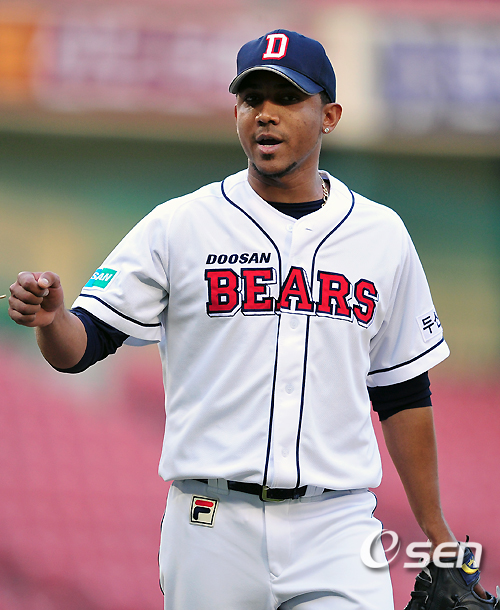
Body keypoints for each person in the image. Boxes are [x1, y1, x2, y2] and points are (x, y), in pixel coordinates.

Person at [8, 29, 471, 610]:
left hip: (338, 524)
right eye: (252, 100)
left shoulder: (382, 235)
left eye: (288, 98)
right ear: (237, 115)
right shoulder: (180, 224)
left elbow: (403, 392)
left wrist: (436, 532)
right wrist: (52, 320)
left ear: (329, 116)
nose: (266, 114)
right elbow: (82, 347)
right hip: (211, 524)